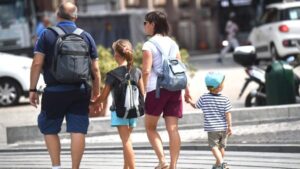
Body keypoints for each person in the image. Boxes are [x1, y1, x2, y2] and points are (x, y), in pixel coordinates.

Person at [29, 2, 101, 169]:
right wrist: (96, 93)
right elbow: (95, 70)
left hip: (54, 92)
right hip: (80, 91)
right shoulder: (86, 36)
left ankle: (56, 166)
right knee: (78, 130)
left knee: (49, 129)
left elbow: (37, 63)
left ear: (57, 15)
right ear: (75, 16)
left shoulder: (46, 35)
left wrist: (32, 89)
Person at [142, 11, 191, 169]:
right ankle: (173, 166)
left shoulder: (149, 45)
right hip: (175, 89)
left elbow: (146, 71)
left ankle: (162, 161)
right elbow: (180, 69)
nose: (144, 26)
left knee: (150, 127)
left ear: (153, 24)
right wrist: (187, 90)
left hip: (155, 90)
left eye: (146, 23)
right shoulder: (172, 43)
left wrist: (142, 90)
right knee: (173, 129)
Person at [90, 39, 144, 169]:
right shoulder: (137, 72)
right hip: (133, 110)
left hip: (119, 112)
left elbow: (104, 96)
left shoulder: (112, 75)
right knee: (128, 140)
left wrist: (93, 102)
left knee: (126, 142)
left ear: (117, 55)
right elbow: (142, 93)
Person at [185, 72, 232, 169]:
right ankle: (218, 164)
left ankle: (221, 163)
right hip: (223, 128)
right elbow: (228, 114)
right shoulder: (225, 99)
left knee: (213, 147)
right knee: (221, 147)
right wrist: (230, 126)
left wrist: (189, 101)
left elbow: (195, 106)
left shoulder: (204, 98)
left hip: (212, 129)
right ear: (219, 87)